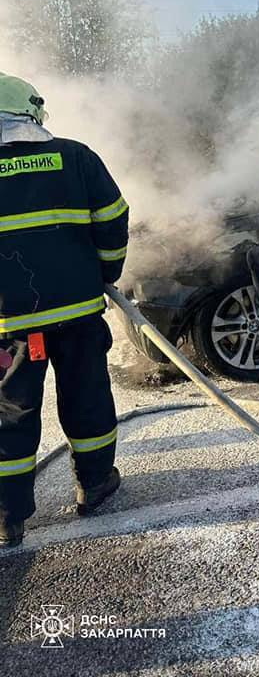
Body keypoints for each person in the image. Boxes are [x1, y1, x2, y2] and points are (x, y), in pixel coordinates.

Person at [0, 73, 129, 548]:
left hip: (9, 328)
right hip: (76, 315)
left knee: (8, 412)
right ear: (30, 112)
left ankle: (6, 516)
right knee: (87, 396)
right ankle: (94, 484)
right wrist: (106, 273)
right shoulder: (75, 157)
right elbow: (114, 218)